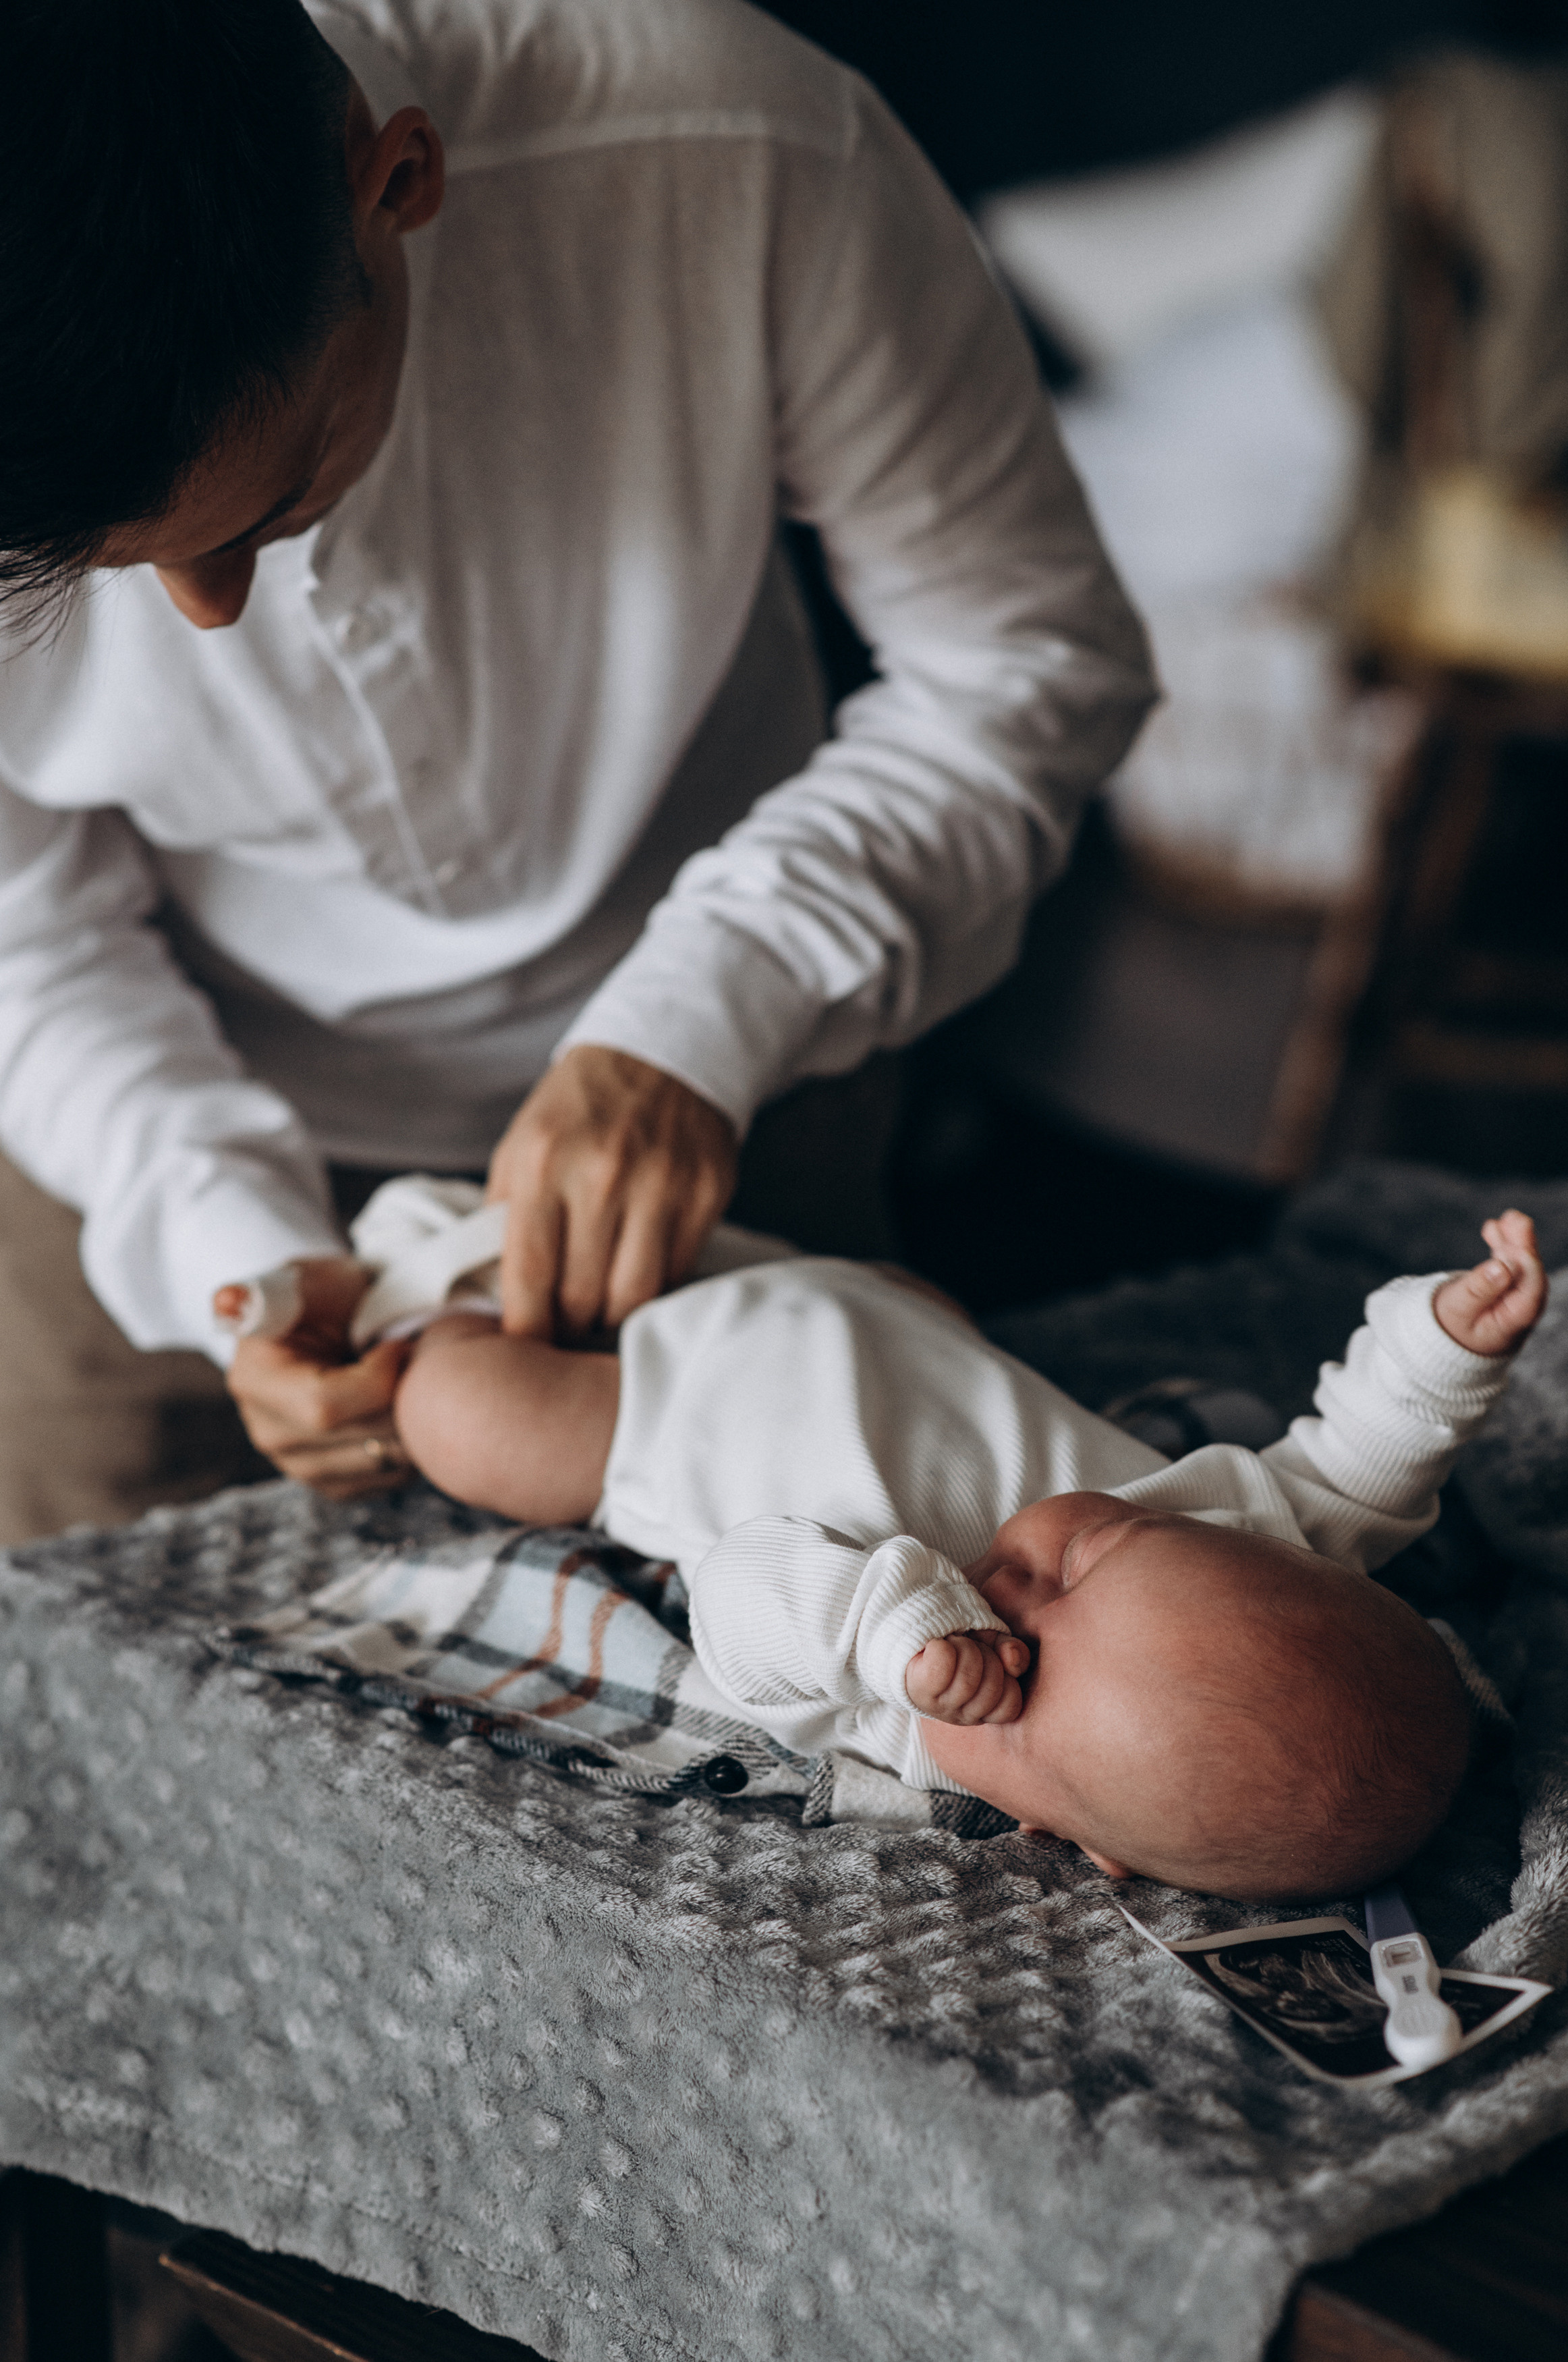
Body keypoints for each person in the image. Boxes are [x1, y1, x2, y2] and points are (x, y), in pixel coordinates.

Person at [0, 0, 1154, 1539]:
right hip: (131, 1135)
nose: (202, 614)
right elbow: (28, 936)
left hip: (736, 1094)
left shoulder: (740, 149)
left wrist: (702, 1015)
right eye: (101, 568)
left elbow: (1026, 659)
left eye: (263, 512)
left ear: (396, 180)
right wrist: (227, 1258)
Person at [227, 1193, 1545, 1900]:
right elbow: (1363, 1461)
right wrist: (1447, 1346)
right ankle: (487, 1237)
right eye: (1086, 1560)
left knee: (473, 1419)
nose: (1010, 1575)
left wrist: (886, 1619)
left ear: (1077, 1836)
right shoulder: (1261, 1543)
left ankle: (396, 1310)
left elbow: (738, 1599)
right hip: (876, 1318)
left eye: (1019, 1640)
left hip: (660, 1413)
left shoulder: (917, 1732)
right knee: (663, 1235)